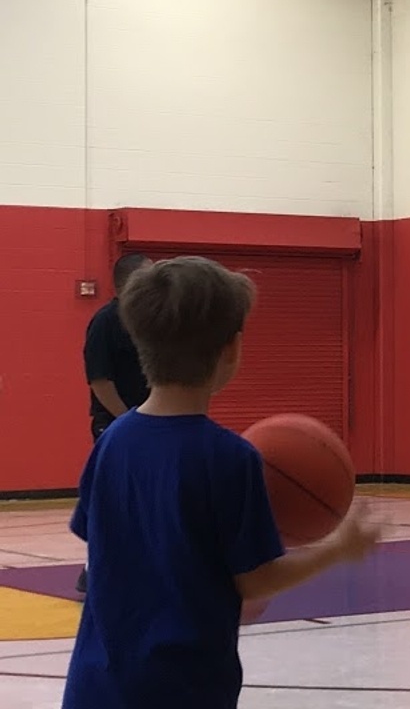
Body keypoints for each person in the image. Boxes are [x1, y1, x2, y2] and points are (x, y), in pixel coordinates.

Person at [63, 255, 381, 709]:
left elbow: (101, 549)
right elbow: (255, 582)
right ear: (231, 349)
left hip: (97, 686)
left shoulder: (112, 442)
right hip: (185, 687)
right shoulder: (230, 458)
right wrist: (337, 549)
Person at [77, 252, 152, 594]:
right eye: (149, 276)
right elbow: (100, 380)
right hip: (116, 424)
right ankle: (94, 569)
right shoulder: (106, 322)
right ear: (128, 282)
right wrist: (128, 421)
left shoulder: (153, 322)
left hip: (151, 423)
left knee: (149, 498)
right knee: (116, 498)